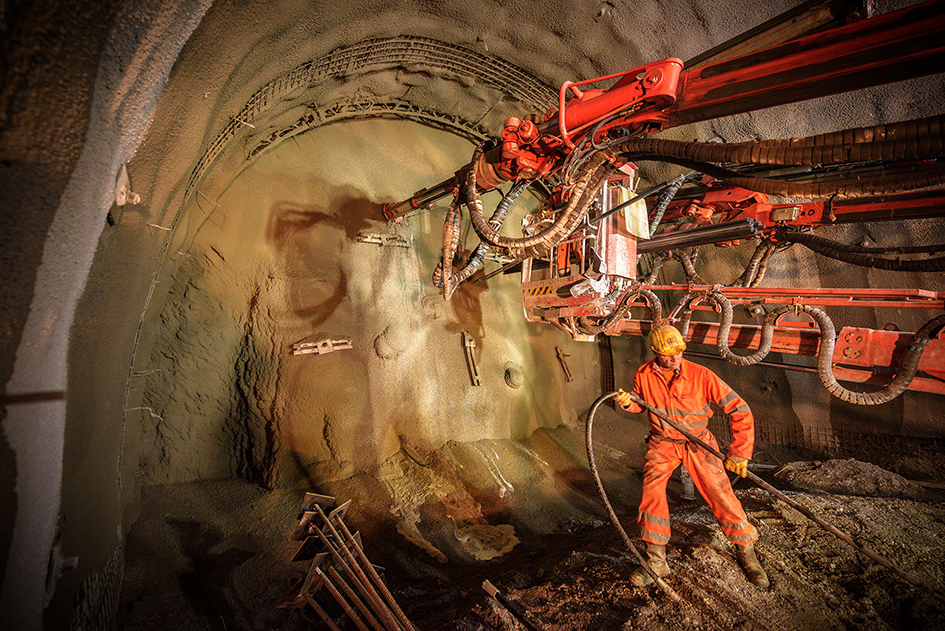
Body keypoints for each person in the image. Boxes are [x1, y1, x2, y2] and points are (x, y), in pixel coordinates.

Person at [614, 324, 769, 588]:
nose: (674, 358)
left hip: (698, 444)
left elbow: (740, 409)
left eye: (678, 352)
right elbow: (641, 404)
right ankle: (656, 562)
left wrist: (740, 452)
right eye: (667, 354)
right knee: (651, 497)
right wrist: (629, 402)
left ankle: (747, 552)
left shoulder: (701, 375)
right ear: (655, 352)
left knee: (720, 494)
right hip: (662, 444)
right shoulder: (644, 374)